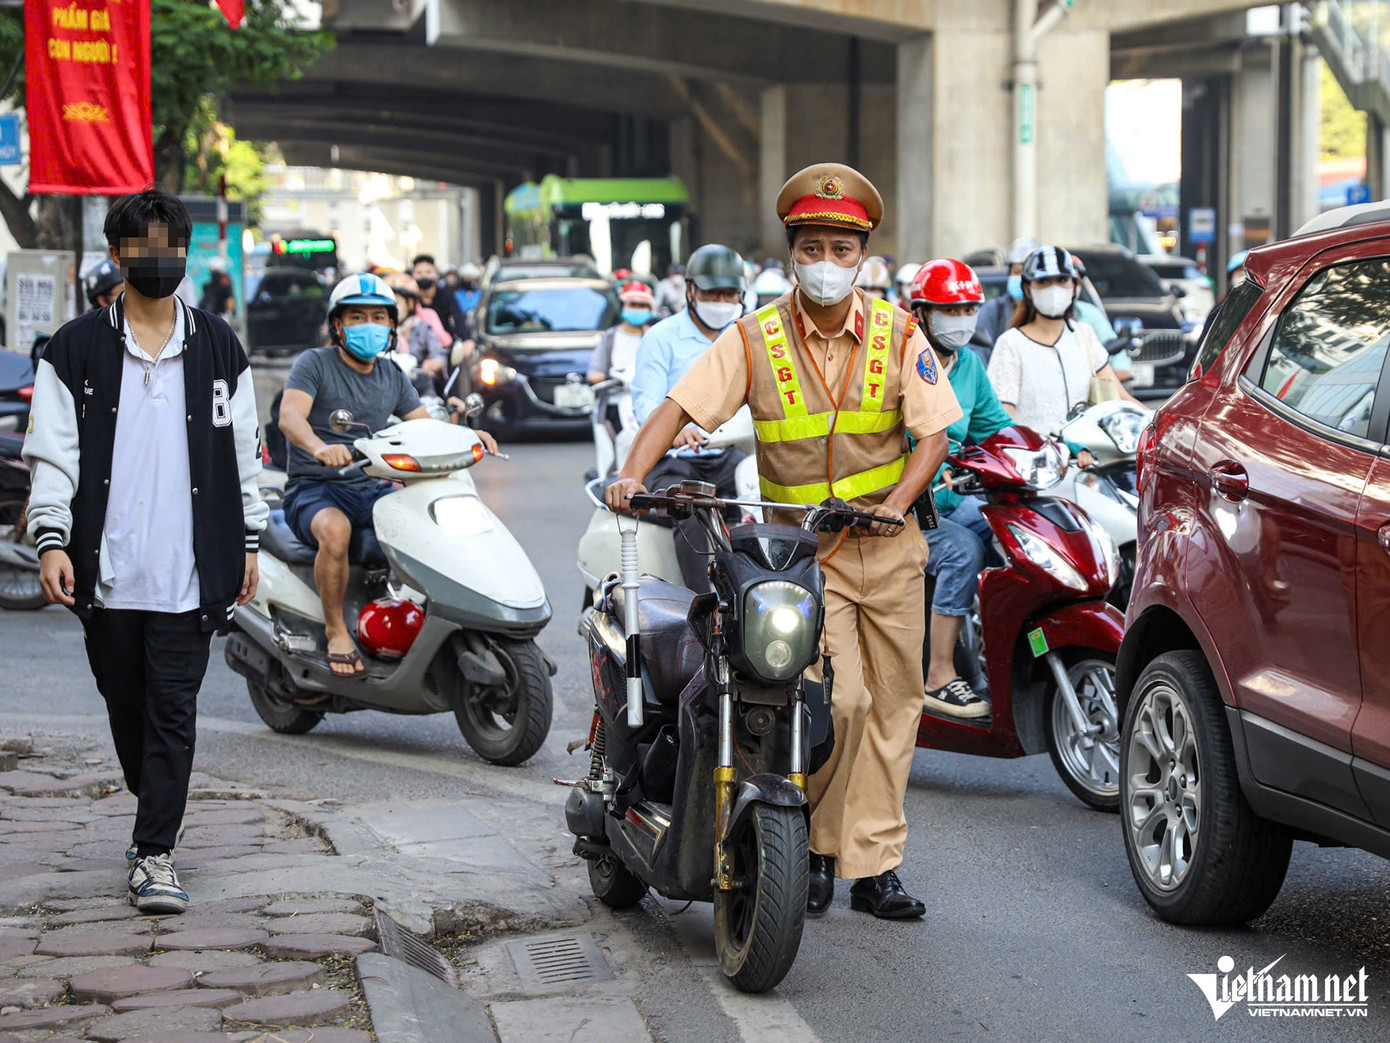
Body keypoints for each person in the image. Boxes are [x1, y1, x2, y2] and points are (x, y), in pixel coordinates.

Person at [610, 164, 961, 920]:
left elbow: (933, 435)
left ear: (861, 255)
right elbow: (677, 407)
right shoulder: (754, 336)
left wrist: (898, 505)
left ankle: (873, 868)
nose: (826, 262)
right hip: (802, 559)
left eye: (841, 247)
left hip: (892, 549)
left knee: (898, 705)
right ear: (793, 253)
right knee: (842, 703)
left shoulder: (901, 333)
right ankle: (818, 847)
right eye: (812, 246)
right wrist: (630, 472)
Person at [24, 187, 267, 915]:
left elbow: (245, 453)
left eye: (170, 247)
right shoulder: (75, 348)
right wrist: (51, 539)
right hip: (109, 570)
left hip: (192, 573)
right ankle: (153, 800)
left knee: (172, 709)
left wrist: (248, 538)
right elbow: (53, 454)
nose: (158, 260)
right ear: (117, 253)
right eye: (143, 247)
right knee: (124, 702)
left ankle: (155, 852)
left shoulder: (219, 344)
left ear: (185, 255)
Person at [276, 274, 497, 678]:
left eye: (378, 316)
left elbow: (423, 423)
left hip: (369, 487)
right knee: (336, 530)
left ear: (392, 326)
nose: (369, 324)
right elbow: (290, 417)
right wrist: (320, 447)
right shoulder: (315, 364)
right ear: (338, 325)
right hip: (316, 488)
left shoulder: (391, 374)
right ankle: (336, 629)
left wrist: (466, 432)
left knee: (425, 523)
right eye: (357, 316)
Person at [907, 260, 1011, 719]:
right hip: (903, 505)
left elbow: (997, 430)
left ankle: (995, 656)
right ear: (923, 313)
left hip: (952, 501)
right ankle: (940, 676)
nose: (963, 320)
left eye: (970, 309)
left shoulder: (969, 364)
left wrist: (1049, 448)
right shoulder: (903, 359)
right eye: (951, 310)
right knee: (962, 550)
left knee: (1007, 535)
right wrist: (937, 460)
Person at [628, 244, 750, 592]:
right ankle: (705, 606)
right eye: (713, 293)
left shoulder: (742, 337)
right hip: (673, 460)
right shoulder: (661, 338)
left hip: (728, 455)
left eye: (729, 294)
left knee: (769, 495)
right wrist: (674, 432)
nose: (721, 301)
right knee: (691, 507)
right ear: (691, 291)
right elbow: (646, 403)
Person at [986, 245, 1129, 467]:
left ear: (1074, 286)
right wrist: (1056, 446)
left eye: (1062, 280)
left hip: (1091, 469)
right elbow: (1004, 423)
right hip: (1036, 472)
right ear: (1027, 288)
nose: (1054, 289)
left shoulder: (1085, 335)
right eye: (1044, 282)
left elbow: (1119, 397)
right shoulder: (1010, 344)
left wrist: (1158, 420)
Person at [587, 281, 654, 476]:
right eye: (633, 304)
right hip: (614, 407)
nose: (637, 309)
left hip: (649, 404)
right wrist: (614, 377)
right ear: (623, 306)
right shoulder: (609, 338)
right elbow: (594, 374)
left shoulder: (654, 337)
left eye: (642, 306)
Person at [970, 236, 1039, 362]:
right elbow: (977, 350)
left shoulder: (1048, 314)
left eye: (1026, 273)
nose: (1021, 278)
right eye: (1017, 272)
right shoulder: (994, 311)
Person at [383, 272, 448, 392]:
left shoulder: (423, 328)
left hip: (422, 391)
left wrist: (435, 362)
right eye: (387, 303)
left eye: (397, 302)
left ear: (411, 303)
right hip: (387, 390)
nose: (392, 308)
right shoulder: (380, 331)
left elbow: (438, 353)